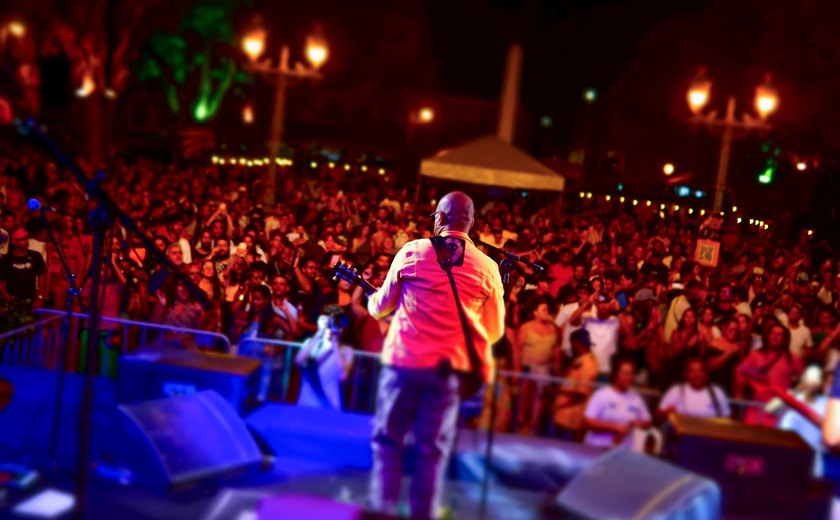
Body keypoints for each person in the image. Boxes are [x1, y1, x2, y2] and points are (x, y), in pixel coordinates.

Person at [366, 191, 505, 519]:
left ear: (439, 218)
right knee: (431, 450)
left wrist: (374, 304)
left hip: (404, 363)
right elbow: (494, 330)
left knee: (389, 439)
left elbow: (381, 306)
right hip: (447, 372)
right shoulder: (488, 267)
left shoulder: (413, 251)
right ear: (471, 223)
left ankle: (382, 508)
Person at [583, 355, 652, 448]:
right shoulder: (602, 395)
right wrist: (614, 427)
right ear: (616, 374)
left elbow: (648, 422)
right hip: (598, 449)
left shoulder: (636, 398)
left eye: (631, 373)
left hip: (622, 453)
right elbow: (588, 422)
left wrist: (640, 423)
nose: (629, 377)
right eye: (625, 373)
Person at [295, 306, 355, 410]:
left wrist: (335, 344)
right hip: (306, 403)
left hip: (330, 406)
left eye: (337, 323)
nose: (332, 327)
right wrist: (319, 333)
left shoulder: (346, 350)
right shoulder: (311, 343)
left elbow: (342, 376)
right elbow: (298, 361)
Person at [553, 329, 599, 440]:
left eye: (571, 343)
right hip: (563, 419)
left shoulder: (588, 364)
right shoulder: (579, 360)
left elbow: (582, 394)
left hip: (572, 421)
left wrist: (558, 397)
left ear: (576, 343)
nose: (571, 347)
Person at [658, 357, 730, 420]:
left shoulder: (716, 392)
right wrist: (666, 413)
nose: (697, 375)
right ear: (686, 374)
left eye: (701, 371)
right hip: (683, 434)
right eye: (692, 371)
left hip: (710, 434)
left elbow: (727, 418)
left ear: (706, 374)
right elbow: (658, 416)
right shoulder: (676, 390)